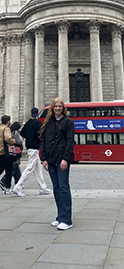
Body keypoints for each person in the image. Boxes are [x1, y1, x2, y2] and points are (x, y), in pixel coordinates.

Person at [40, 97, 75, 230]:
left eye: (60, 106)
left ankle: (67, 220)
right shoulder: (48, 123)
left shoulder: (68, 122)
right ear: (52, 108)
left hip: (62, 160)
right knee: (56, 188)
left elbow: (70, 142)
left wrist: (66, 159)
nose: (58, 108)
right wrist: (44, 159)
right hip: (51, 159)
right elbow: (43, 141)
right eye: (56, 106)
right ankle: (60, 217)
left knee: (63, 187)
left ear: (63, 108)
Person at [12, 107, 50, 197]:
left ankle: (43, 188)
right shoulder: (38, 123)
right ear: (37, 114)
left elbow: (22, 133)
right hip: (34, 147)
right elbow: (40, 133)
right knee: (29, 168)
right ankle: (18, 187)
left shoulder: (28, 122)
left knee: (38, 169)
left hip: (29, 146)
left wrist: (29, 136)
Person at [0, 122, 23, 189]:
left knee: (16, 169)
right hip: (14, 152)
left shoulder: (9, 131)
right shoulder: (14, 132)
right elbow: (17, 141)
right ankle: (4, 181)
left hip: (9, 152)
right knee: (13, 167)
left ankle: (18, 183)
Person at [0, 115, 16, 194]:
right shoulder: (6, 129)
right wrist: (13, 141)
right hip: (5, 153)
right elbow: (8, 138)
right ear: (8, 121)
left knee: (0, 169)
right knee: (9, 170)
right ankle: (8, 188)